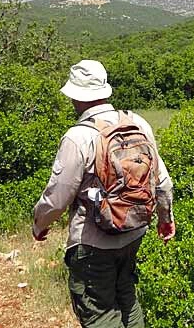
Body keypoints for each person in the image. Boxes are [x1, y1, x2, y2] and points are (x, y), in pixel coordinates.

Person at [33, 59, 175, 328]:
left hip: (93, 243)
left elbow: (56, 198)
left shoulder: (78, 137)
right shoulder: (138, 123)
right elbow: (162, 182)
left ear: (75, 95)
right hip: (134, 231)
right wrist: (165, 219)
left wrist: (39, 225)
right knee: (127, 298)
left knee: (99, 312)